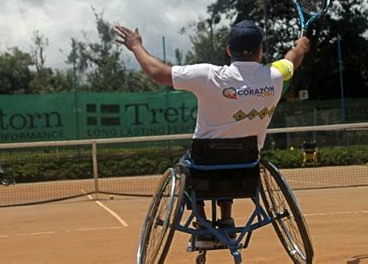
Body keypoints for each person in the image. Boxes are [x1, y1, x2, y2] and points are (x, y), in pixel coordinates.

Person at [115, 20, 310, 247]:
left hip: (203, 170)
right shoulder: (275, 76)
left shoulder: (209, 76)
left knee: (188, 167)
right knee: (229, 158)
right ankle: (226, 220)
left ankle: (202, 227)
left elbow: (157, 72)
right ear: (261, 51)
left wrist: (136, 46)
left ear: (228, 50)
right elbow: (293, 58)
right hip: (247, 170)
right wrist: (302, 46)